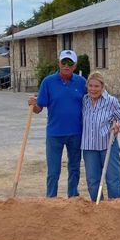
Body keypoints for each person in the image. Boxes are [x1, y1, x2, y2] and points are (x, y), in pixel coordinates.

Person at [28, 50, 87, 198]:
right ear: (59, 63)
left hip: (76, 133)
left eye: (70, 63)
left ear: (75, 66)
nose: (66, 66)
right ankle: (51, 199)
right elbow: (39, 108)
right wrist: (33, 105)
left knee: (74, 168)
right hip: (54, 134)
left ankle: (73, 197)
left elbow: (91, 102)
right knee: (53, 171)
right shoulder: (48, 82)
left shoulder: (81, 82)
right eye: (64, 62)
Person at [81, 71, 120, 201]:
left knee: (113, 179)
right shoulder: (84, 101)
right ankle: (99, 208)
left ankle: (117, 207)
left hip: (108, 145)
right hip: (89, 147)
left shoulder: (111, 101)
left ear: (102, 87)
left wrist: (119, 125)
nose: (93, 89)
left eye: (96, 86)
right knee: (92, 181)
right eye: (90, 86)